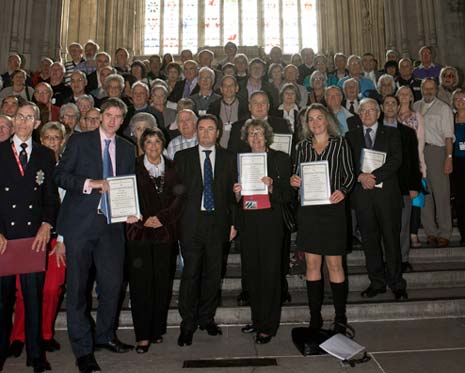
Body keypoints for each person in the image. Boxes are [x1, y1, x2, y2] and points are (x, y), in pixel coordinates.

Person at [53, 98, 137, 372]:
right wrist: (91, 184)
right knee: (77, 289)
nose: (113, 120)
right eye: (108, 115)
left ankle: (104, 335)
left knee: (112, 286)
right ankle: (83, 350)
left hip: (111, 228)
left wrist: (131, 211)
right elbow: (60, 176)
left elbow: (127, 186)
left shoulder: (126, 148)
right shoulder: (79, 141)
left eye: (118, 116)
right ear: (101, 117)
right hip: (79, 225)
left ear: (123, 120)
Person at [0, 102, 60, 372]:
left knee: (33, 298)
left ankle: (36, 355)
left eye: (29, 118)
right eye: (19, 117)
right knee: (2, 301)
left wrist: (47, 223)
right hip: (4, 237)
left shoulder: (45, 155)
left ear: (37, 124)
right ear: (13, 120)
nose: (23, 122)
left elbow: (50, 197)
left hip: (34, 237)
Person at [290, 103, 355, 333]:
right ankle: (314, 317)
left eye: (319, 118)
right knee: (312, 265)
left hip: (333, 210)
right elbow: (295, 175)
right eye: (311, 119)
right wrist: (294, 181)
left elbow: (349, 175)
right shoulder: (301, 147)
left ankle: (339, 317)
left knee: (335, 265)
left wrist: (343, 191)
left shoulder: (340, 144)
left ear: (327, 120)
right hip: (309, 211)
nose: (316, 122)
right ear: (306, 124)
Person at [175, 114, 236, 346]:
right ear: (196, 131)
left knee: (213, 274)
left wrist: (234, 223)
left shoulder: (230, 158)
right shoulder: (182, 158)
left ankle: (206, 318)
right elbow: (175, 195)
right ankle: (187, 323)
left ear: (218, 132)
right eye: (202, 129)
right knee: (190, 274)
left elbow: (233, 195)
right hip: (191, 224)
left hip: (219, 223)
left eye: (211, 129)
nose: (206, 133)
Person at [8, 122, 67, 359]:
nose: (52, 141)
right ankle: (19, 335)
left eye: (57, 138)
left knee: (52, 290)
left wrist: (62, 239)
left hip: (57, 240)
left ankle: (45, 334)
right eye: (48, 137)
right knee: (24, 293)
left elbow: (68, 209)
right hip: (30, 240)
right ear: (40, 140)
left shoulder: (68, 168)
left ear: (63, 141)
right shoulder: (30, 163)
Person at [125, 128, 185, 353]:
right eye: (148, 142)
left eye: (156, 141)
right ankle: (142, 335)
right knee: (141, 285)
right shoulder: (132, 166)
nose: (152, 146)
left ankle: (157, 328)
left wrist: (161, 219)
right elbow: (125, 195)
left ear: (163, 144)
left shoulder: (173, 167)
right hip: (138, 233)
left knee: (161, 283)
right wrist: (142, 220)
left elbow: (180, 197)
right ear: (142, 145)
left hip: (164, 233)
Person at [234, 119, 293, 344]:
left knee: (270, 274)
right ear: (246, 137)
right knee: (252, 274)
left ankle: (268, 325)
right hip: (249, 223)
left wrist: (272, 187)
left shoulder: (280, 159)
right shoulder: (240, 161)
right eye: (251, 134)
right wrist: (237, 194)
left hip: (271, 224)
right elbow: (234, 200)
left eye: (259, 133)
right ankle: (257, 319)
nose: (256, 138)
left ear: (267, 136)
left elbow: (289, 195)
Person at [346, 98, 408, 301]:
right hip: (363, 197)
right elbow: (347, 163)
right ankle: (377, 282)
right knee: (370, 242)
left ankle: (397, 283)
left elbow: (396, 160)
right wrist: (360, 176)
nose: (366, 114)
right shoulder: (350, 136)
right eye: (362, 110)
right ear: (358, 114)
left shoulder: (392, 133)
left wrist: (374, 177)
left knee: (391, 241)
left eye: (370, 110)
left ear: (379, 113)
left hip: (386, 197)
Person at [381, 95, 422, 272]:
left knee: (403, 225)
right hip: (381, 187)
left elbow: (414, 161)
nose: (390, 107)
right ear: (382, 108)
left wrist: (414, 186)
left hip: (403, 186)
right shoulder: (374, 131)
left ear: (398, 108)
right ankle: (385, 259)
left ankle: (403, 259)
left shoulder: (408, 132)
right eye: (387, 104)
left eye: (393, 104)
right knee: (383, 225)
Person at [413, 78, 454, 247]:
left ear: (436, 90)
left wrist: (448, 158)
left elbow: (448, 136)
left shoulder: (443, 108)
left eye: (431, 89)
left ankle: (445, 232)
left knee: (441, 194)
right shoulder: (415, 106)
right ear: (421, 89)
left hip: (437, 152)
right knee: (425, 193)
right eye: (425, 88)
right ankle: (430, 232)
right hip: (418, 153)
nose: (428, 91)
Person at [396, 86, 427, 247]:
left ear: (411, 98)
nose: (404, 96)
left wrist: (418, 166)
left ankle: (413, 234)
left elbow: (420, 143)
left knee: (415, 201)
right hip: (396, 168)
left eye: (407, 94)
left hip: (414, 164)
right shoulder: (391, 117)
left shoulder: (417, 117)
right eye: (401, 93)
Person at [207, 75, 249, 148]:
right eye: (225, 86)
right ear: (221, 89)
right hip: (219, 148)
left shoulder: (246, 106)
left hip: (240, 148)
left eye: (231, 85)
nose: (228, 88)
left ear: (237, 88)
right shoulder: (213, 107)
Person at [452, 89, 465, 244]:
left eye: (463, 98)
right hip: (457, 162)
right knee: (460, 199)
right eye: (457, 98)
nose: (460, 101)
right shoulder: (451, 118)